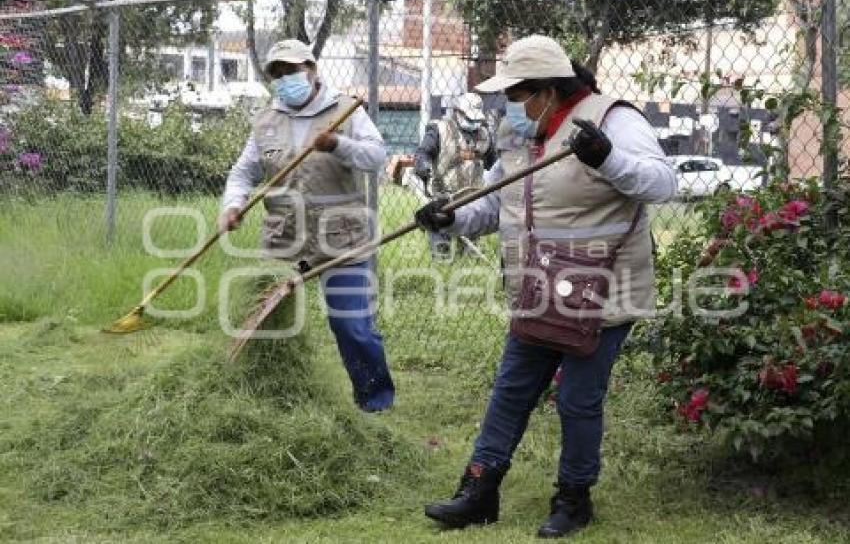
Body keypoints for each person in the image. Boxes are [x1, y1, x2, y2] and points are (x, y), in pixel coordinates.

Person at [414, 35, 677, 538]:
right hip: (537, 291)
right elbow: (496, 206)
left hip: (602, 293)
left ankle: (574, 499)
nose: (509, 105)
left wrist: (607, 160)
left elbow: (663, 183)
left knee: (578, 398)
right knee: (510, 391)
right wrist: (448, 218)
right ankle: (479, 491)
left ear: (549, 90)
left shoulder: (613, 120)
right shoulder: (519, 136)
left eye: (516, 94)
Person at [219, 39, 395, 413]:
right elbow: (243, 171)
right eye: (278, 74)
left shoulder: (346, 110)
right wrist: (233, 205)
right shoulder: (267, 120)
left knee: (352, 327)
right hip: (284, 237)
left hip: (341, 239)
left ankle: (374, 401)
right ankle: (269, 397)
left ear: (312, 70)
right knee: (267, 320)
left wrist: (338, 145)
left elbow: (377, 156)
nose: (286, 79)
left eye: (292, 71)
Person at [413, 92, 497, 260]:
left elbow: (492, 163)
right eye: (470, 119)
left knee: (469, 252)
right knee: (441, 248)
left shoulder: (484, 134)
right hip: (443, 198)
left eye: (476, 121)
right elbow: (423, 153)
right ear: (457, 112)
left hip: (471, 199)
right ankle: (442, 267)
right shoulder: (439, 129)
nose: (474, 124)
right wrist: (423, 168)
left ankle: (466, 264)